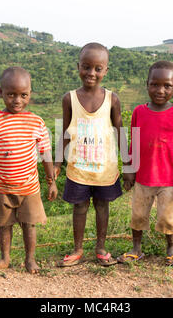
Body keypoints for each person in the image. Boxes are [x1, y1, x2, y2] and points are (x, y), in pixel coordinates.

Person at [54, 43, 128, 267]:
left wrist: (129, 166)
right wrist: (57, 162)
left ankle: (101, 248)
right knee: (80, 207)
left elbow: (120, 132)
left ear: (106, 70)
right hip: (78, 168)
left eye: (98, 68)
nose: (91, 73)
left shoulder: (112, 99)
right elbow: (65, 131)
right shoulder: (70, 99)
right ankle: (77, 249)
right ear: (78, 67)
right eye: (86, 67)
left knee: (102, 206)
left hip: (105, 169)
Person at [0, 66, 57, 274]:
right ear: (0, 92)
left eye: (23, 95)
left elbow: (45, 155)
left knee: (29, 225)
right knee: (4, 225)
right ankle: (4, 258)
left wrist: (52, 182)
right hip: (1, 186)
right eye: (11, 94)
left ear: (30, 93)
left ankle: (30, 260)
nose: (17, 100)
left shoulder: (36, 122)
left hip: (29, 187)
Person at [118, 60, 173, 266]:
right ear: (147, 84)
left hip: (168, 180)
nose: (160, 90)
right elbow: (133, 143)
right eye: (155, 84)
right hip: (142, 178)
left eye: (167, 86)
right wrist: (129, 171)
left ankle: (171, 248)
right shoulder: (139, 112)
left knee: (168, 217)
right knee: (138, 214)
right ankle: (136, 248)